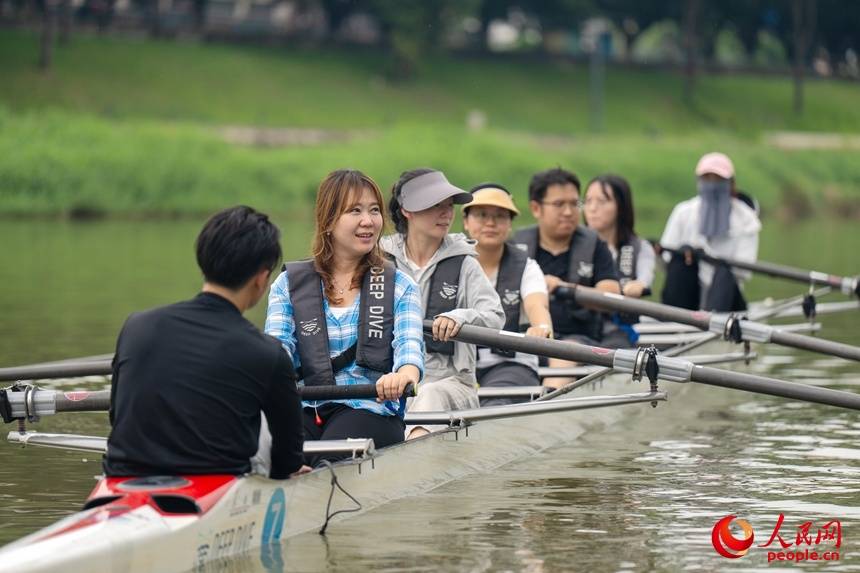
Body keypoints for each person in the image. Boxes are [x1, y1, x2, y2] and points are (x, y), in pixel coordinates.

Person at [104, 206, 306, 479]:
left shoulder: (137, 326)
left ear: (204, 259)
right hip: (216, 491)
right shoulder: (267, 354)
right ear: (261, 278)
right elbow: (288, 461)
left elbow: (117, 417)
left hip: (121, 478)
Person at [265, 169, 423, 457]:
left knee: (325, 454)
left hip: (370, 409)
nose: (369, 221)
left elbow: (409, 351)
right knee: (268, 447)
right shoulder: (288, 284)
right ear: (328, 221)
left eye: (374, 210)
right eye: (355, 211)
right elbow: (277, 352)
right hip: (304, 406)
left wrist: (403, 376)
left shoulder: (400, 285)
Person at [381, 169, 505, 438]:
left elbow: (495, 317)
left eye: (449, 206)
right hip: (388, 382)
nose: (446, 213)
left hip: (451, 383)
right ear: (407, 211)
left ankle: (408, 461)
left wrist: (460, 317)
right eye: (435, 205)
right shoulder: (379, 261)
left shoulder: (465, 262)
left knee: (429, 394)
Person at [512, 168, 620, 388]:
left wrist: (565, 287)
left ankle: (546, 409)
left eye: (574, 203)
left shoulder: (594, 245)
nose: (569, 212)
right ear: (536, 208)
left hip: (578, 339)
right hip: (526, 338)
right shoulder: (516, 246)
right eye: (559, 204)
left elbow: (612, 295)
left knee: (563, 354)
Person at [462, 183, 552, 406]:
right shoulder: (450, 263)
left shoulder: (527, 267)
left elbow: (537, 306)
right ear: (466, 222)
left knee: (495, 402)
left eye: (500, 216)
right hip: (458, 365)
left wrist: (541, 327)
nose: (491, 223)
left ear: (510, 224)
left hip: (512, 366)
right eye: (482, 215)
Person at [659, 152, 761, 311]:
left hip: (726, 299)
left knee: (724, 272)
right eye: (706, 179)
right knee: (680, 261)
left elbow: (744, 272)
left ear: (731, 184)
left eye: (718, 180)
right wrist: (685, 254)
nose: (712, 185)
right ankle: (672, 321)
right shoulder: (683, 212)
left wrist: (709, 259)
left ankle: (714, 324)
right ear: (698, 183)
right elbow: (665, 259)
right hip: (688, 293)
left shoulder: (746, 220)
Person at [582, 174, 655, 347]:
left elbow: (643, 281)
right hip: (579, 324)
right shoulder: (574, 244)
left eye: (602, 201)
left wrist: (637, 286)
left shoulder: (639, 247)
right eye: (587, 201)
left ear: (620, 207)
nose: (592, 208)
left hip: (620, 325)